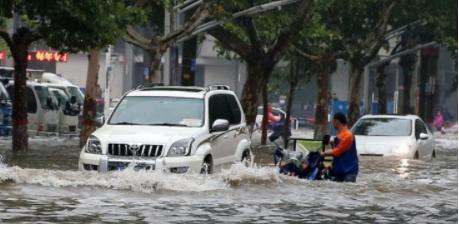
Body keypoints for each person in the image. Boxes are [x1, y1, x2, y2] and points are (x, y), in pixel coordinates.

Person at [321, 112, 359, 182]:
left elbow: (338, 151)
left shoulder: (348, 135)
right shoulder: (339, 134)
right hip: (339, 171)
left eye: (333, 121)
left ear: (337, 121)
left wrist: (324, 153)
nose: (333, 123)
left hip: (349, 172)